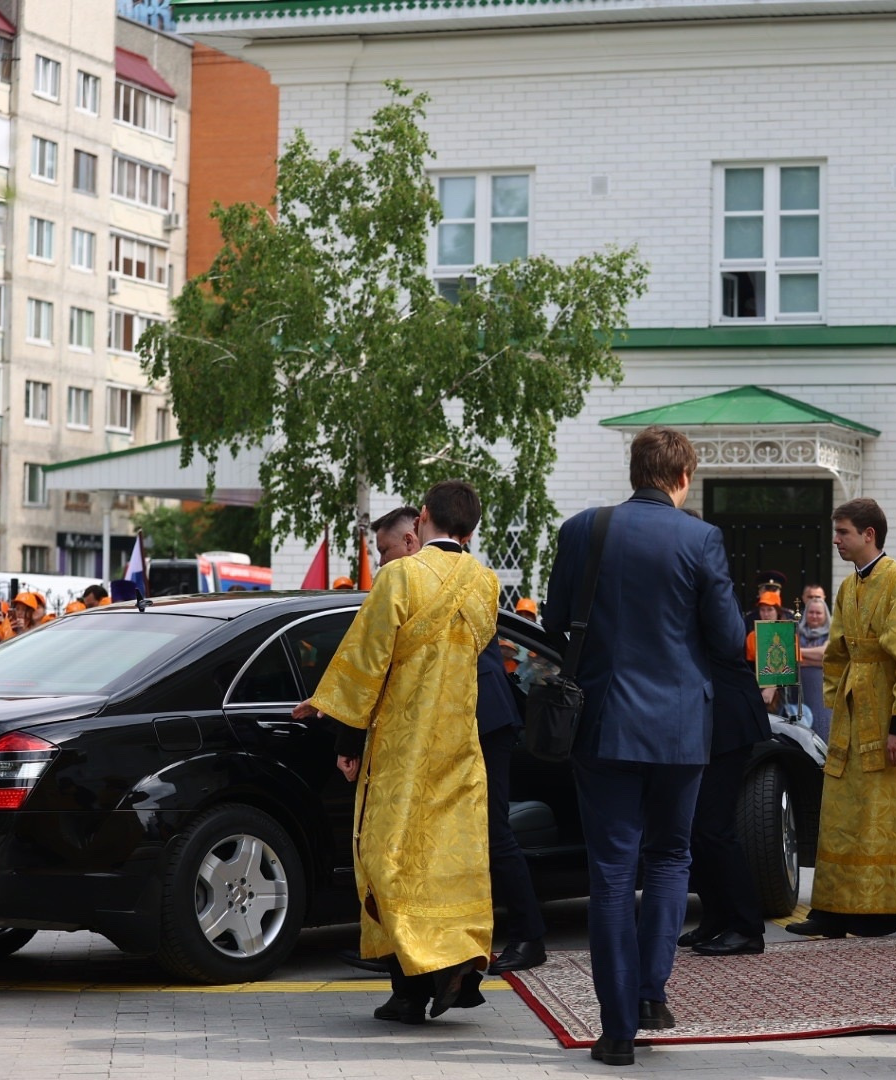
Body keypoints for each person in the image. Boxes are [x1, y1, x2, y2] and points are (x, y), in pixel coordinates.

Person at [543, 425, 744, 1067]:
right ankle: (653, 993)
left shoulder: (581, 530)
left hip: (600, 723)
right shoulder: (701, 538)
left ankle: (616, 1029)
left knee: (609, 873)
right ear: (683, 478)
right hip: (681, 727)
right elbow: (726, 636)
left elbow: (552, 625)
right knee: (668, 859)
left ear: (635, 470)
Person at [294, 479, 502, 1026]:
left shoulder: (400, 576)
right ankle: (454, 964)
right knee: (450, 864)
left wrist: (340, 732)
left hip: (402, 749)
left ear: (423, 518)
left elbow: (367, 664)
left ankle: (411, 987)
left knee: (387, 862)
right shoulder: (486, 583)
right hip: (458, 746)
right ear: (472, 528)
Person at [362, 502, 547, 978]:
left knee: (490, 831)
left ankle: (528, 935)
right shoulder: (463, 577)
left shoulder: (437, 577)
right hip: (460, 718)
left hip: (478, 718)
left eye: (385, 549)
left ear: (416, 529)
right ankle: (421, 945)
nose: (382, 561)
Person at [787, 498, 896, 940]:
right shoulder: (850, 587)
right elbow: (836, 651)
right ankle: (836, 909)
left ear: (869, 535)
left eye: (844, 532)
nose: (836, 540)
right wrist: (838, 704)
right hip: (857, 713)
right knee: (848, 810)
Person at [680, 639, 770, 958]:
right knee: (695, 829)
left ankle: (746, 928)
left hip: (726, 718)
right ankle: (716, 916)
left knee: (714, 827)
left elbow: (729, 637)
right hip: (703, 720)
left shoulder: (705, 589)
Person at [796, 597, 832, 741]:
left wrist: (798, 651)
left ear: (825, 615)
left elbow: (826, 655)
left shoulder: (832, 633)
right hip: (800, 693)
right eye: (811, 612)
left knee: (822, 731)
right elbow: (790, 661)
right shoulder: (797, 630)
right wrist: (817, 660)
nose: (814, 616)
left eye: (818, 613)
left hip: (823, 694)